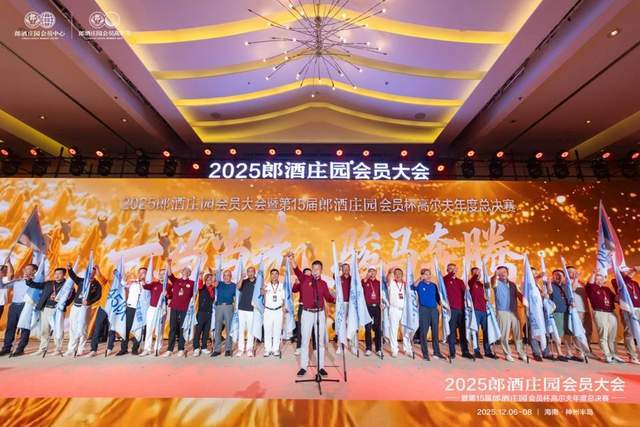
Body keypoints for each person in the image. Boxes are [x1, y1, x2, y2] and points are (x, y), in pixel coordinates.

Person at [290, 253, 335, 377]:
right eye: (313, 268)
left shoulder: (323, 284)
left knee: (320, 341)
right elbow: (296, 269)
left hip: (320, 313)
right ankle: (303, 367)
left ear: (321, 270)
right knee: (305, 340)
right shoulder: (305, 279)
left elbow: (328, 298)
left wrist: (337, 299)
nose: (315, 271)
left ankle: (321, 367)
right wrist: (292, 259)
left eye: (317, 269)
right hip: (307, 313)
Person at [27, 267, 75, 356]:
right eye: (56, 274)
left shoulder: (67, 286)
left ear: (64, 275)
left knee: (58, 329)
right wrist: (28, 280)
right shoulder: (49, 283)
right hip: (46, 309)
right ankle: (42, 348)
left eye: (59, 274)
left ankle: (58, 349)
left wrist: (64, 304)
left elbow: (71, 297)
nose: (57, 275)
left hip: (58, 310)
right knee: (44, 329)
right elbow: (35, 285)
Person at [65, 262, 103, 357]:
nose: (90, 273)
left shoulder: (96, 284)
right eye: (88, 271)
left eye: (92, 272)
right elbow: (73, 276)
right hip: (76, 306)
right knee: (73, 327)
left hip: (85, 307)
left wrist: (89, 301)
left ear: (94, 273)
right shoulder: (81, 281)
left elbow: (98, 296)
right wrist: (69, 269)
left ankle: (81, 348)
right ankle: (71, 349)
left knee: (82, 328)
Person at [0, 260, 36, 357]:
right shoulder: (17, 280)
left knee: (24, 327)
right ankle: (6, 348)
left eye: (29, 269)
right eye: (25, 269)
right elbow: (3, 286)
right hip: (14, 306)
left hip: (26, 305)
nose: (25, 270)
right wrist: (0, 277)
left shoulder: (36, 282)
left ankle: (20, 349)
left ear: (34, 271)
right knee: (10, 327)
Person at [586, 270, 623, 363]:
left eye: (601, 279)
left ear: (604, 280)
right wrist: (593, 273)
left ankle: (614, 354)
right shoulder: (591, 288)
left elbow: (616, 299)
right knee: (604, 335)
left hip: (611, 313)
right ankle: (607, 355)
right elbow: (589, 283)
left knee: (612, 336)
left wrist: (620, 292)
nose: (599, 281)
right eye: (597, 279)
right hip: (600, 312)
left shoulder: (607, 289)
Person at [492, 266, 527, 362]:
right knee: (504, 334)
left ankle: (521, 353)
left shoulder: (512, 284)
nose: (503, 273)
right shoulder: (496, 282)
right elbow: (493, 280)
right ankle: (507, 354)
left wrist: (525, 301)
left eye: (504, 272)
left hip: (513, 311)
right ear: (498, 274)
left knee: (518, 334)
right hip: (502, 311)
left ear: (507, 273)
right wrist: (495, 275)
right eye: (500, 272)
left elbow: (518, 294)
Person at [411, 267, 444, 360]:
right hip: (424, 310)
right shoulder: (419, 284)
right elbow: (413, 286)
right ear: (422, 275)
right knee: (423, 333)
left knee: (435, 332)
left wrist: (443, 304)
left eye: (429, 274)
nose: (428, 276)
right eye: (426, 274)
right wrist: (420, 279)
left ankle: (436, 352)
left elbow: (438, 298)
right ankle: (425, 354)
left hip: (434, 310)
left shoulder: (434, 285)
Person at [164, 262, 194, 357]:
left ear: (190, 273)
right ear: (182, 272)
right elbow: (169, 274)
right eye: (185, 270)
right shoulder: (176, 281)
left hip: (185, 309)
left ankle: (181, 348)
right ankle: (170, 349)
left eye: (188, 271)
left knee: (183, 328)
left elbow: (196, 292)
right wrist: (169, 264)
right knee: (172, 328)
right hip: (174, 307)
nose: (186, 272)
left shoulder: (192, 283)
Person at [611, 266, 640, 364]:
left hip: (638, 308)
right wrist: (633, 270)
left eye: (627, 270)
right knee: (629, 332)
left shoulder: (635, 283)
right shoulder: (616, 281)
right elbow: (624, 282)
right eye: (624, 271)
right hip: (627, 309)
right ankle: (632, 356)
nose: (627, 272)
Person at [444, 263, 473, 359]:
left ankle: (465, 351)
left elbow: (466, 293)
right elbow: (446, 280)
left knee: (463, 331)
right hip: (451, 310)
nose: (452, 270)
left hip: (462, 309)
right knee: (452, 332)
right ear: (447, 270)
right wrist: (452, 273)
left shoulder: (460, 281)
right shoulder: (445, 280)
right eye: (450, 269)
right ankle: (452, 352)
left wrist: (467, 289)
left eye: (454, 269)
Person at [467, 267, 496, 359]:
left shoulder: (482, 284)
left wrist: (487, 290)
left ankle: (488, 351)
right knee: (475, 331)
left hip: (484, 310)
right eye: (475, 272)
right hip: (475, 310)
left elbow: (486, 296)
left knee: (486, 331)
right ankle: (476, 350)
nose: (478, 274)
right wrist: (476, 274)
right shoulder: (471, 282)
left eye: (479, 272)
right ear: (472, 274)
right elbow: (472, 280)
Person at [139, 268, 166, 356]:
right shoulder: (154, 284)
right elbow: (145, 286)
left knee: (159, 330)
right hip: (152, 309)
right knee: (149, 329)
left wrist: (167, 294)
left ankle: (157, 349)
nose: (161, 276)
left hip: (161, 310)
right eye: (160, 274)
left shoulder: (168, 286)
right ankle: (147, 349)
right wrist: (143, 280)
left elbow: (171, 297)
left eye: (163, 274)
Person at [387, 267, 413, 358]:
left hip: (404, 310)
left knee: (405, 330)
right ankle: (394, 350)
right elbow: (387, 279)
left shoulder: (405, 284)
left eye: (399, 274)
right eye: (396, 274)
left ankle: (408, 349)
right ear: (394, 275)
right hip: (394, 309)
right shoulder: (391, 283)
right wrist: (389, 272)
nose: (398, 275)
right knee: (393, 330)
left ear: (402, 275)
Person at [549, 269, 573, 362]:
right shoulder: (550, 285)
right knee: (558, 333)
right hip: (557, 312)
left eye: (560, 275)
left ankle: (568, 352)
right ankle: (559, 353)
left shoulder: (565, 286)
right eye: (555, 275)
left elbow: (570, 296)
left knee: (567, 333)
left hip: (567, 312)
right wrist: (550, 281)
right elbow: (549, 291)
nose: (558, 277)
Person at [568, 265, 592, 355]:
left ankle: (587, 349)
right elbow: (572, 289)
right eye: (571, 271)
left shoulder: (580, 282)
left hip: (586, 309)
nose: (573, 273)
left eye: (574, 271)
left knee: (588, 330)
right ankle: (579, 350)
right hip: (577, 310)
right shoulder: (567, 281)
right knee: (578, 331)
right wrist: (576, 279)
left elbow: (589, 290)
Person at [211, 270, 236, 357]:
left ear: (231, 276)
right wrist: (214, 274)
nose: (225, 277)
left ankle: (228, 349)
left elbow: (236, 297)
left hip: (229, 307)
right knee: (218, 329)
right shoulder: (220, 284)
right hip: (219, 307)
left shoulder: (234, 285)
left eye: (228, 275)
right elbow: (213, 282)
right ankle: (217, 349)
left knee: (229, 329)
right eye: (224, 275)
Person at [262, 268, 285, 357]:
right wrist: (262, 291)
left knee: (277, 330)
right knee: (267, 330)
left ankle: (275, 349)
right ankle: (267, 349)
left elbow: (284, 299)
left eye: (276, 274)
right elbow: (261, 295)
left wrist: (284, 309)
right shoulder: (266, 285)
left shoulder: (282, 286)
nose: (274, 275)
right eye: (272, 274)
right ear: (270, 275)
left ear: (278, 275)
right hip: (268, 311)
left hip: (278, 311)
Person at [336, 263, 357, 355]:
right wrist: (337, 267)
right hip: (342, 304)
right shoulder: (338, 278)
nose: (346, 269)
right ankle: (340, 346)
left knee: (352, 324)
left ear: (349, 269)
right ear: (341, 269)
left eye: (347, 268)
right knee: (341, 324)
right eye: (344, 268)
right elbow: (335, 274)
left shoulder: (353, 279)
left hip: (351, 304)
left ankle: (353, 346)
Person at [294, 268, 316, 355]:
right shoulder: (301, 282)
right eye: (306, 274)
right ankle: (299, 347)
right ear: (303, 275)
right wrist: (296, 283)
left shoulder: (314, 282)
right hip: (302, 306)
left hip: (313, 307)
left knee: (313, 327)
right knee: (300, 327)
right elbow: (294, 290)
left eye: (310, 274)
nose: (308, 275)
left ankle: (315, 347)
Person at [236, 266, 256, 357]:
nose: (250, 273)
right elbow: (238, 287)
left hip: (252, 309)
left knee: (250, 330)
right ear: (247, 273)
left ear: (254, 272)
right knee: (241, 329)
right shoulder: (244, 281)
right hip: (242, 309)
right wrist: (241, 278)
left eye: (252, 271)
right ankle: (240, 348)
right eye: (249, 271)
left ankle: (249, 349)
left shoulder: (258, 282)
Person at [362, 267, 382, 357]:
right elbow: (362, 284)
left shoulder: (379, 283)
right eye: (370, 271)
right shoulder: (365, 281)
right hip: (367, 307)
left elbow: (381, 294)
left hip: (377, 307)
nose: (372, 273)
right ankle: (368, 348)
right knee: (368, 328)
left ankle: (378, 349)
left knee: (378, 328)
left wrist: (381, 303)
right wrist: (366, 277)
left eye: (373, 271)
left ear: (376, 272)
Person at [194, 273, 215, 356]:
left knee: (206, 331)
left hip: (209, 313)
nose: (210, 281)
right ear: (205, 280)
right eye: (208, 279)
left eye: (211, 279)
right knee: (198, 331)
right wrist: (200, 277)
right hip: (201, 312)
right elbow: (199, 284)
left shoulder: (213, 289)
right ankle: (196, 348)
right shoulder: (201, 287)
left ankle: (204, 348)